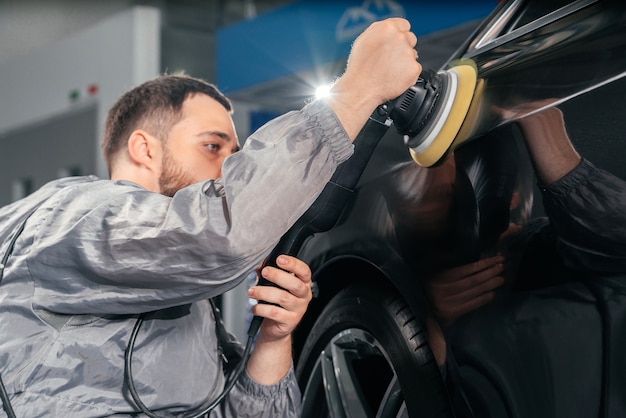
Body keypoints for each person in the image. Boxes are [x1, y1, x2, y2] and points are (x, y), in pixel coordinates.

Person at [0, 18, 421, 417]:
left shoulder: (187, 298)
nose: (226, 170)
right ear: (144, 149)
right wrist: (358, 90)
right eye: (212, 147)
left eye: (234, 156)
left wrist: (273, 340)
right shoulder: (75, 215)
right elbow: (222, 232)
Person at [425, 106, 626, 417]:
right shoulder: (400, 278)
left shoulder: (556, 249)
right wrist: (425, 328)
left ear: (504, 192)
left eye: (448, 189)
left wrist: (563, 165)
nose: (427, 200)